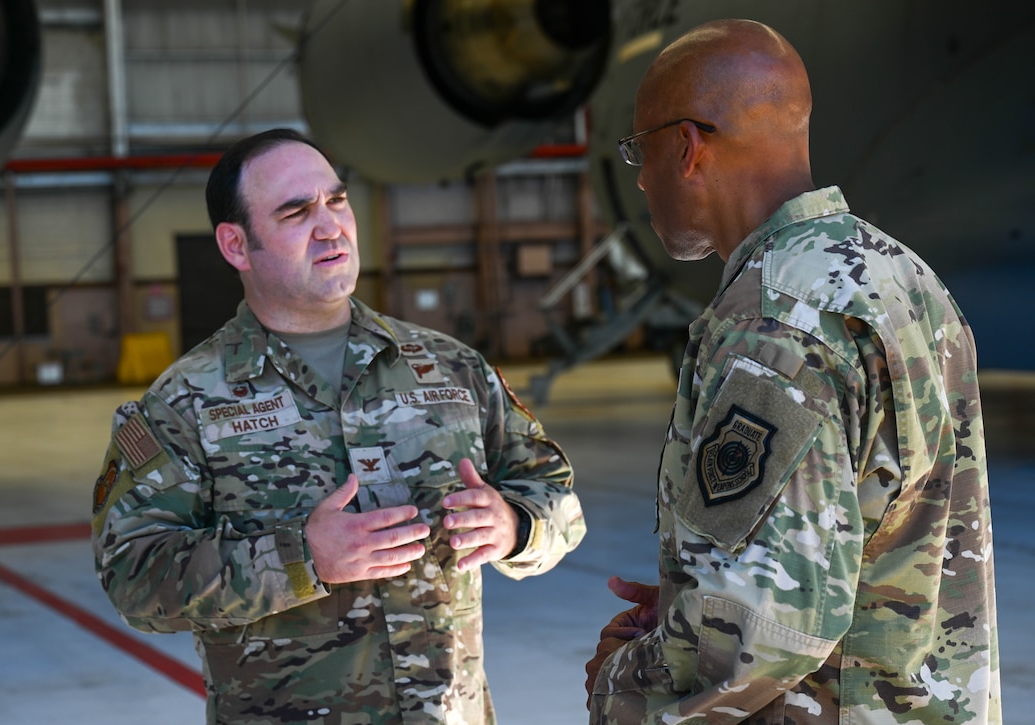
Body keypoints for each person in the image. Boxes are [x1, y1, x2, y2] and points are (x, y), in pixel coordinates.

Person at [91, 128, 586, 724]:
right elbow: (135, 579)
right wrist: (300, 558)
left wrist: (515, 527)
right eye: (297, 211)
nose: (330, 226)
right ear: (236, 245)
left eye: (337, 200)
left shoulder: (451, 368)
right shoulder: (186, 402)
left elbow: (556, 497)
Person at [584, 19, 1000, 724]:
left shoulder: (770, 317)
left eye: (638, 151)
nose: (643, 179)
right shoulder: (902, 276)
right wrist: (692, 595)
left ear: (685, 148)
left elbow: (762, 624)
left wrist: (622, 678)